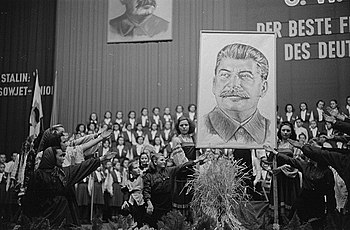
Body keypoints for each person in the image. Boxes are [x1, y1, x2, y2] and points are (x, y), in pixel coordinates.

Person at [23, 147, 116, 227]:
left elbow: (82, 167)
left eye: (64, 155)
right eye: (61, 156)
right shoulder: (38, 175)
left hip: (62, 214)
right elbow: (30, 199)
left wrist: (102, 158)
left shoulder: (63, 173)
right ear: (51, 157)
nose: (64, 159)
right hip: (43, 216)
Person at [198, 43, 271, 147]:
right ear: (214, 84)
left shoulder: (270, 131)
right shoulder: (202, 128)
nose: (234, 85)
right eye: (225, 75)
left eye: (245, 76)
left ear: (263, 88)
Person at [142, 153, 205, 227]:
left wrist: (196, 161)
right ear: (155, 162)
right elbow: (146, 191)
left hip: (168, 203)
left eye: (164, 160)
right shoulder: (148, 175)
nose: (164, 161)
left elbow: (181, 166)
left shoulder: (169, 171)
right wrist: (149, 204)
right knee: (156, 224)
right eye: (161, 160)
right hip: (156, 204)